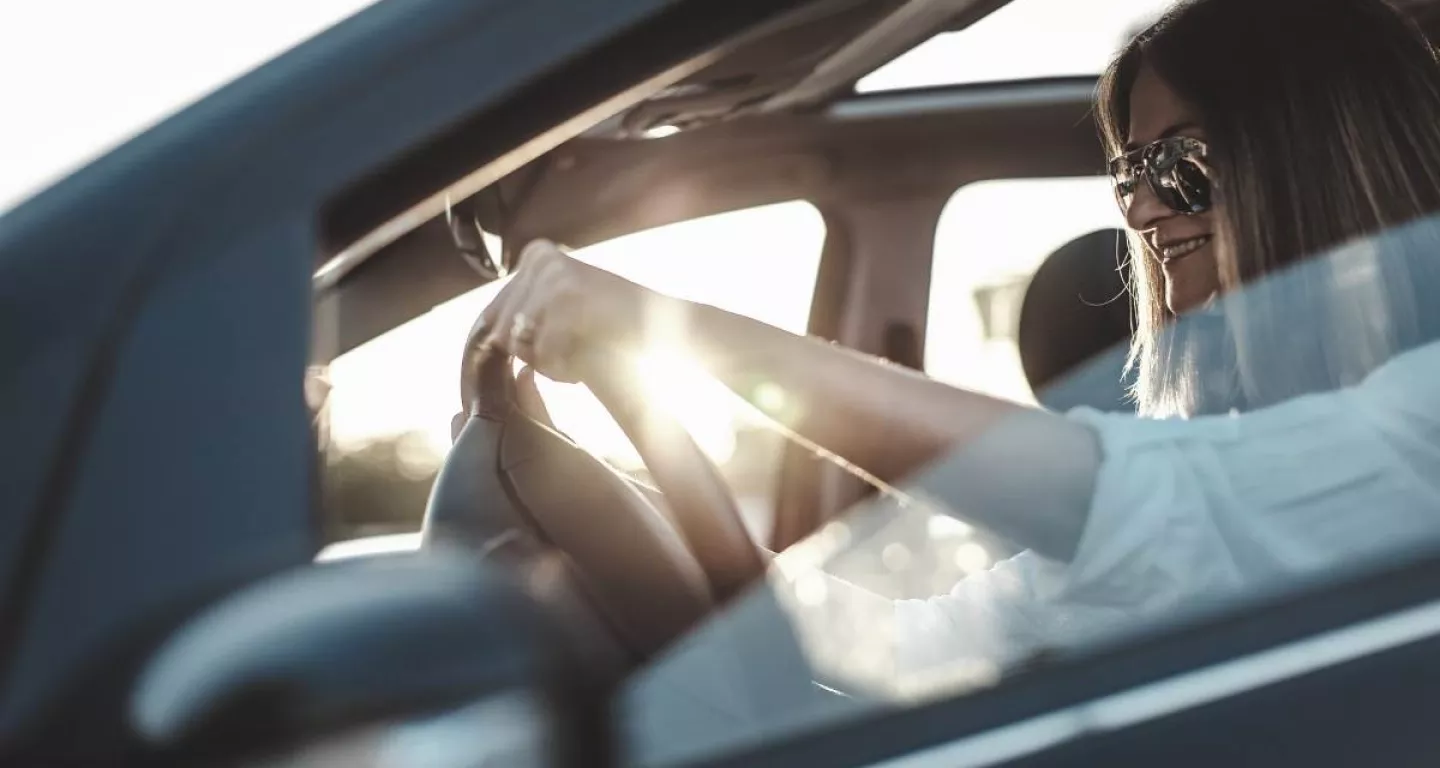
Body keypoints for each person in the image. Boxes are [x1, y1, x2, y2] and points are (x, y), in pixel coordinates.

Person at [472, 0, 1440, 680]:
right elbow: (911, 652)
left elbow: (1137, 500)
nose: (1141, 206)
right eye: (1130, 170)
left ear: (1312, 157)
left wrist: (675, 333)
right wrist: (647, 517)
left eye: (1182, 163)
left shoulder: (1422, 416)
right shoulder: (1223, 434)